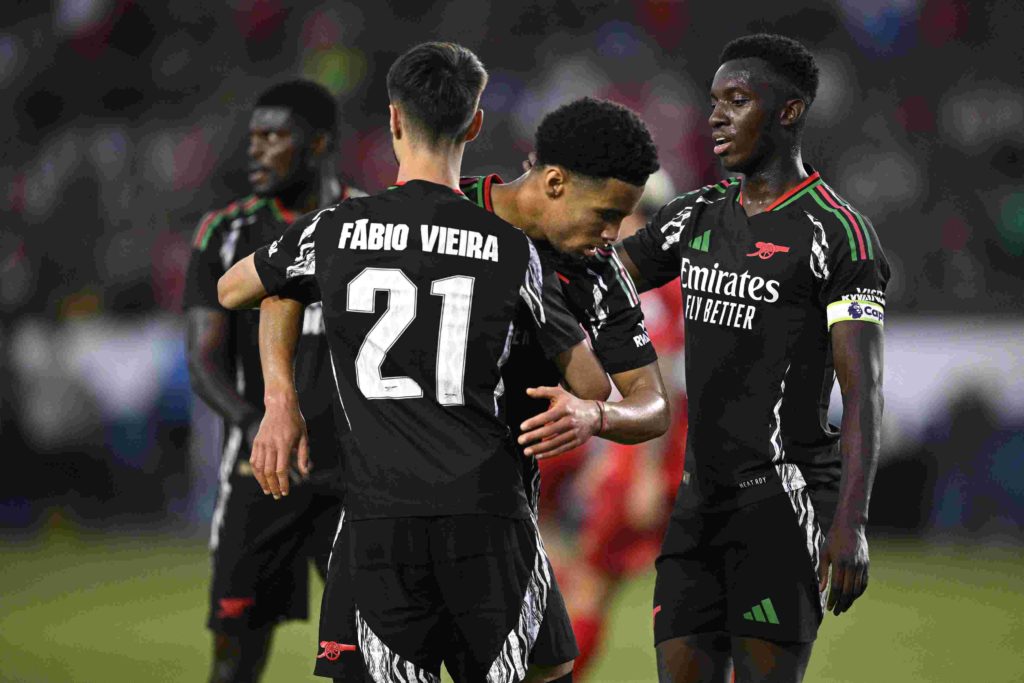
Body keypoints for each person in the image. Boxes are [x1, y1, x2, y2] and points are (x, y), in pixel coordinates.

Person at [217, 42, 624, 683]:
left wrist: (280, 401)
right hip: (489, 512)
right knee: (545, 672)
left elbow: (240, 287)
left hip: (379, 516)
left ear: (394, 120)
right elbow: (593, 385)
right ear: (476, 124)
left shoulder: (337, 229)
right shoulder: (512, 250)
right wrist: (586, 407)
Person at [616, 34, 889, 682]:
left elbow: (864, 394)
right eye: (714, 101)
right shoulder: (693, 216)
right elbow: (599, 279)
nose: (715, 116)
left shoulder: (838, 234)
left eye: (737, 100)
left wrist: (850, 524)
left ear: (790, 111)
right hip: (696, 507)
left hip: (781, 507)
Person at [184, 79, 361, 682]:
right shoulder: (224, 233)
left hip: (355, 470)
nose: (255, 151)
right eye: (252, 137)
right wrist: (254, 423)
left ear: (317, 143)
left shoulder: (369, 224)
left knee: (360, 656)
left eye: (273, 137)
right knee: (235, 655)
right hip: (259, 470)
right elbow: (203, 357)